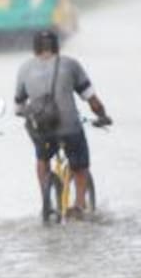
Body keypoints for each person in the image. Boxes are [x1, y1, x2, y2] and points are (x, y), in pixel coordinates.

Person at [14, 28, 111, 221]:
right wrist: (103, 116)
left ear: (35, 48)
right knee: (80, 164)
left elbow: (18, 108)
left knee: (42, 158)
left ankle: (46, 200)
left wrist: (35, 115)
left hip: (41, 130)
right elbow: (91, 99)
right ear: (57, 45)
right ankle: (79, 205)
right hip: (70, 127)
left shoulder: (24, 69)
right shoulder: (70, 65)